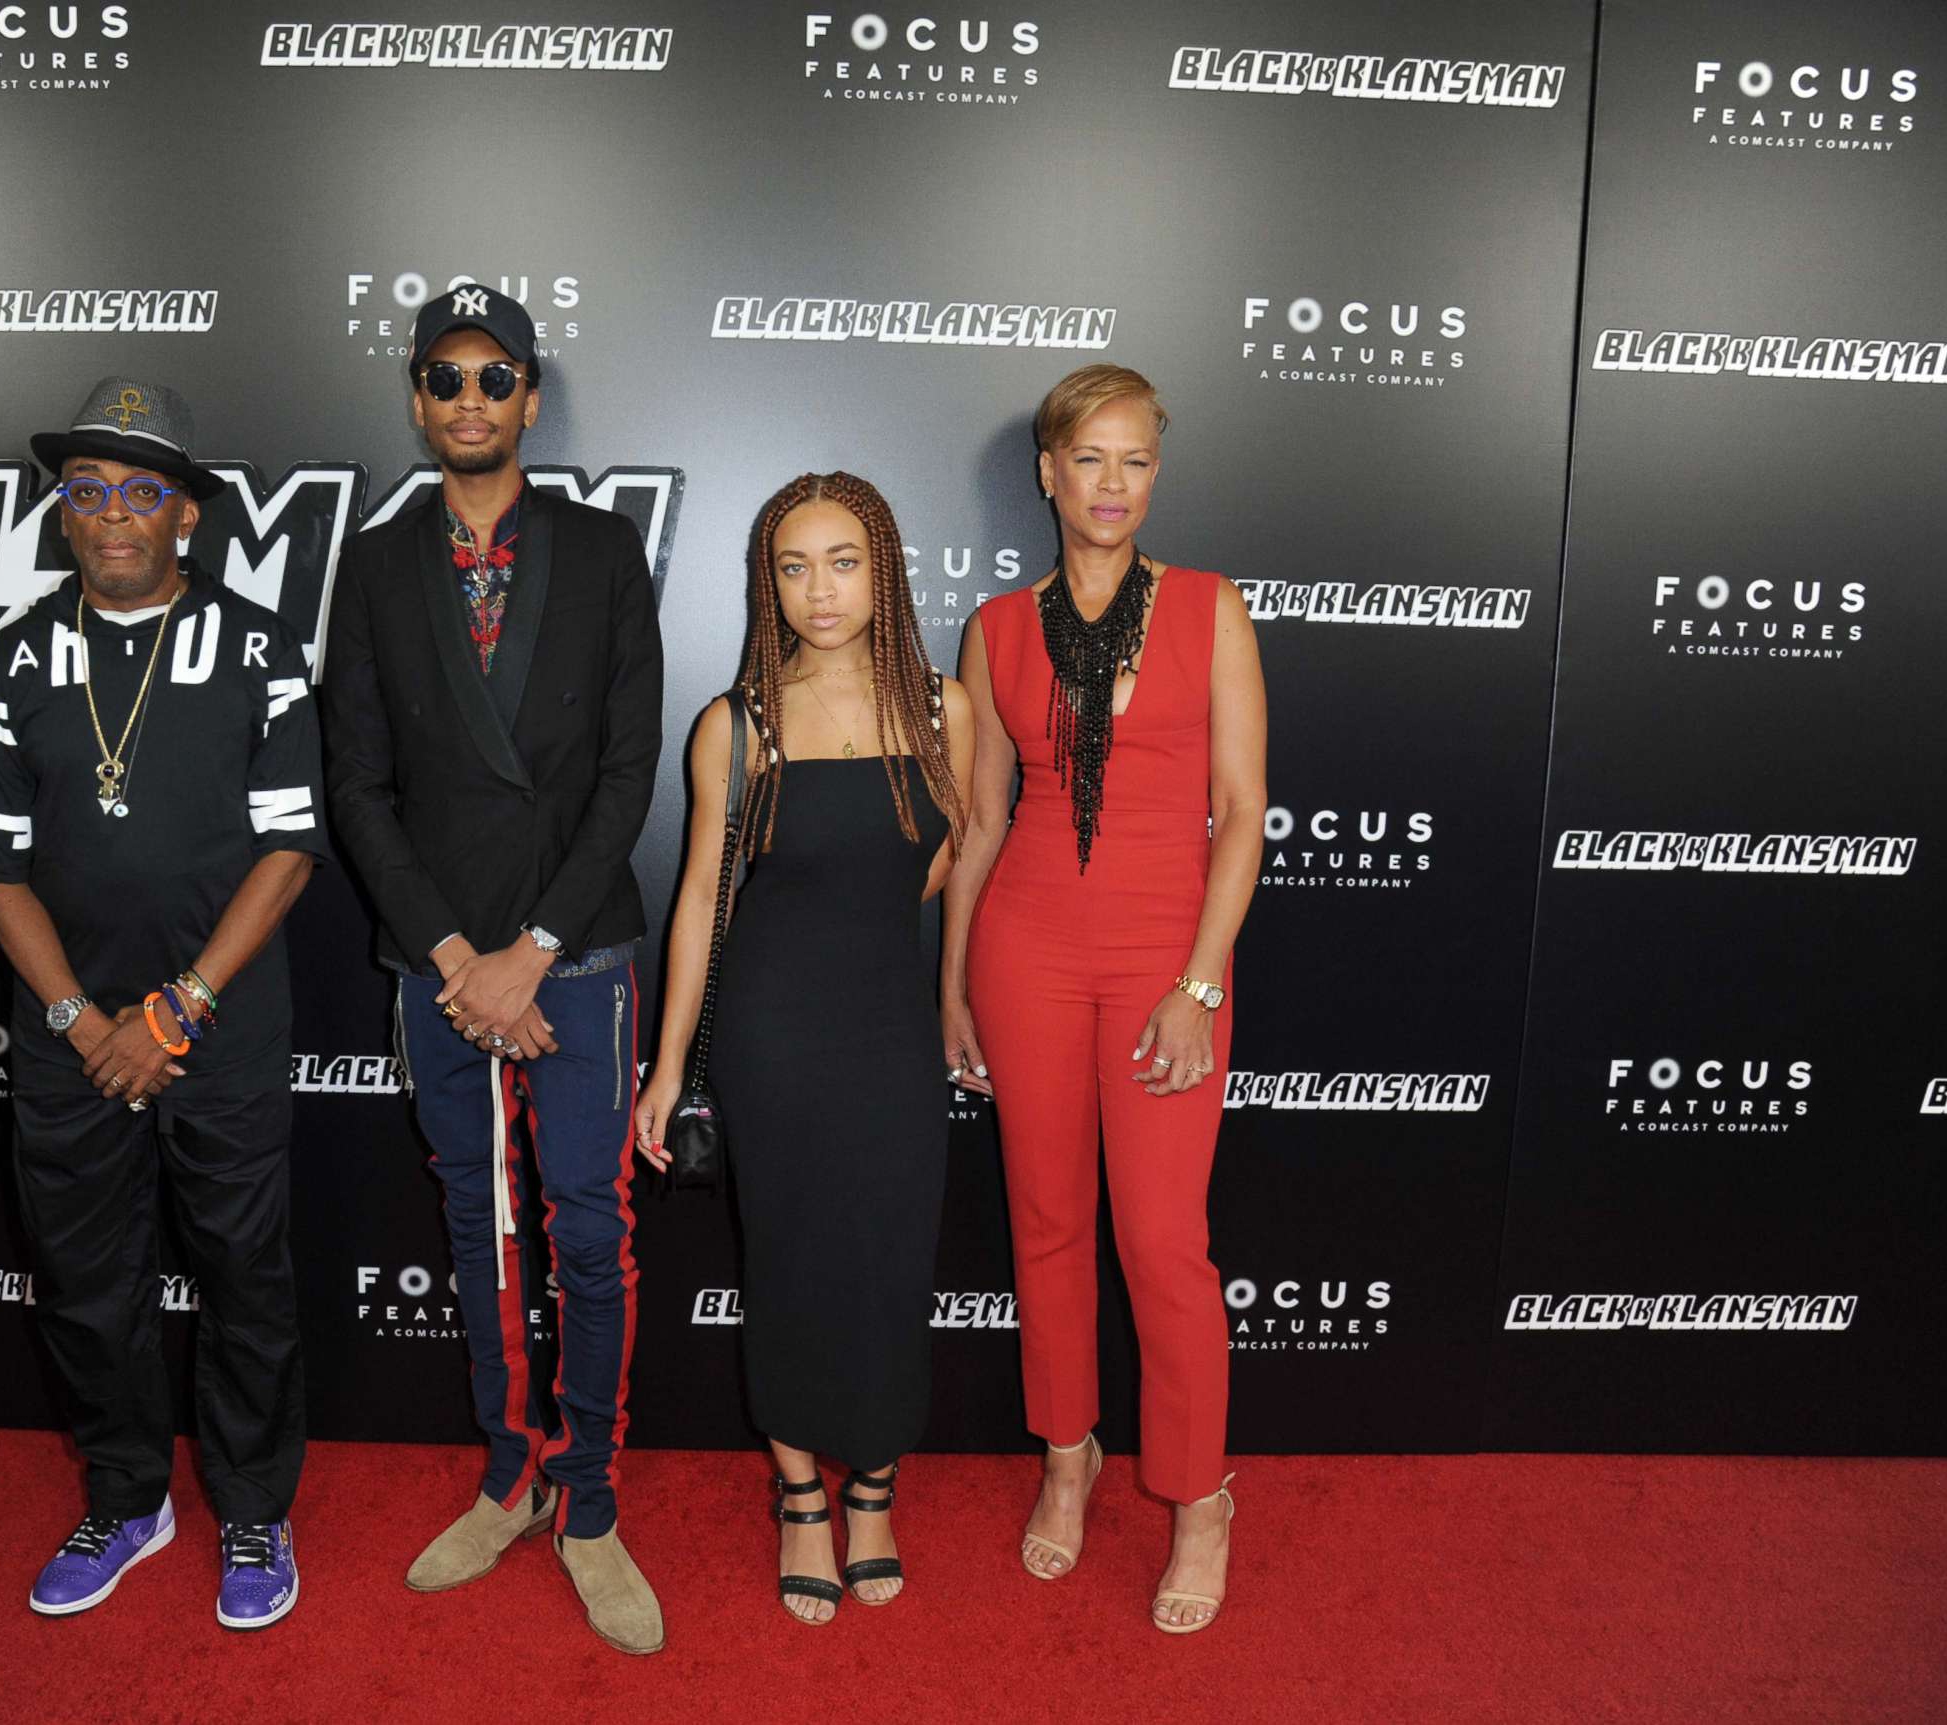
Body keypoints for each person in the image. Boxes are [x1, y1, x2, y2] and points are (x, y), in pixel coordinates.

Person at [0, 376, 328, 1631]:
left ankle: (254, 1509)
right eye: (88, 492)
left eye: (141, 492)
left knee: (244, 1277)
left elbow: (288, 850)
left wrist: (180, 1008)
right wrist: (78, 1021)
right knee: (84, 1281)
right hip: (69, 1038)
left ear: (188, 516)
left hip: (217, 1030)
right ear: (63, 516)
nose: (114, 515)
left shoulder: (261, 649)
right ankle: (127, 1495)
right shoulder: (14, 659)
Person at [321, 286, 666, 1656]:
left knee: (588, 1227)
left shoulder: (600, 548)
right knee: (481, 1222)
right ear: (418, 399)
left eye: (496, 377)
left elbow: (630, 769)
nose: (470, 401)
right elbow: (357, 784)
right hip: (441, 959)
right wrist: (460, 953)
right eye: (445, 378)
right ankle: (508, 1470)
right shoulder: (374, 564)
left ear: (530, 397)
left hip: (574, 952)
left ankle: (587, 1503)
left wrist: (533, 950)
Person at [940, 364, 1266, 1634]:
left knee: (1163, 1246)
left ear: (1156, 474)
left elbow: (1239, 817)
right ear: (1048, 473)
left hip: (1162, 960)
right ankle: (1065, 1463)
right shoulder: (996, 627)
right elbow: (979, 826)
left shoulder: (1208, 610)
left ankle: (1198, 1498)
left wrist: (1198, 982)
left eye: (1136, 461)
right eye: (1090, 460)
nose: (1113, 485)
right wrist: (953, 986)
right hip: (1023, 949)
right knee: (1045, 1224)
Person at [635, 472, 972, 1626]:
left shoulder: (946, 709)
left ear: (883, 571)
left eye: (842, 562)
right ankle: (800, 1500)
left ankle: (872, 1486)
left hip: (890, 1037)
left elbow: (946, 861)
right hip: (773, 1044)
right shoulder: (737, 724)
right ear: (765, 582)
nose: (818, 590)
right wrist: (670, 1065)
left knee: (887, 1264)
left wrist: (950, 992)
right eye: (792, 565)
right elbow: (700, 902)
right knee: (785, 1268)